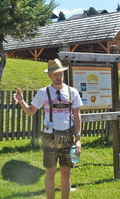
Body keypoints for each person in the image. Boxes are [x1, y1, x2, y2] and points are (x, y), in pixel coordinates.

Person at [13, 58, 82, 199]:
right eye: (55, 74)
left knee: (66, 173)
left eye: (60, 73)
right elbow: (31, 111)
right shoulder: (43, 93)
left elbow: (77, 115)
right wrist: (21, 101)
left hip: (68, 137)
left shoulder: (72, 92)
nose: (59, 77)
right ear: (49, 76)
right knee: (50, 173)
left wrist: (78, 139)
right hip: (49, 138)